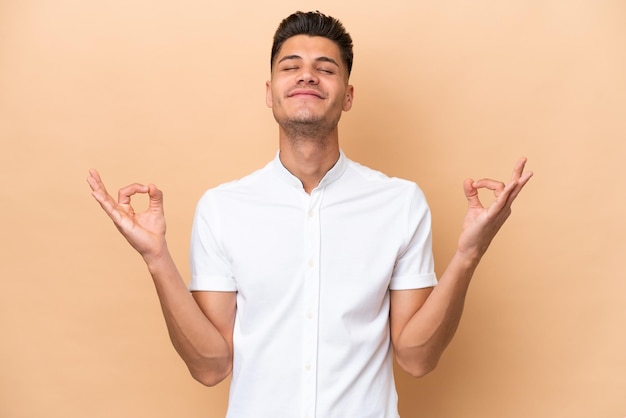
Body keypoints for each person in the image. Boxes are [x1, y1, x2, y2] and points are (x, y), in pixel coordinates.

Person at [87, 11, 532, 418]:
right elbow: (211, 366)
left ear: (348, 95)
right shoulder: (222, 209)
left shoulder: (400, 202)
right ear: (270, 93)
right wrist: (155, 258)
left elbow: (417, 357)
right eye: (290, 66)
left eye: (325, 68)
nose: (307, 76)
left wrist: (468, 254)